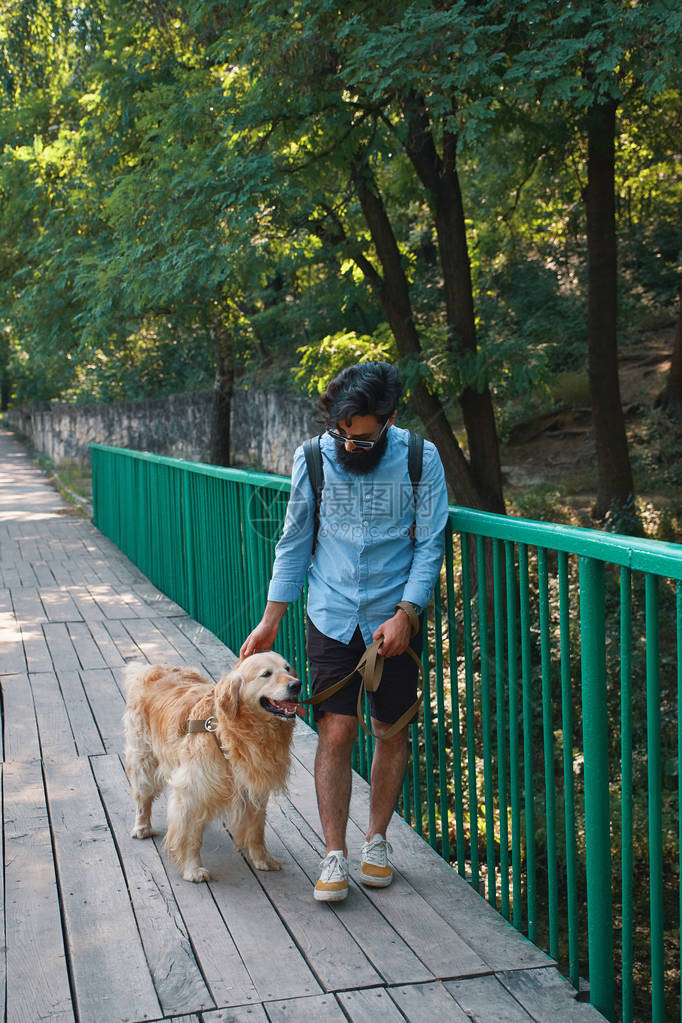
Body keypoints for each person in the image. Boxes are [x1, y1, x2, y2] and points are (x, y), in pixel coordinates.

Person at [240, 362, 449, 902]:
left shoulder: (422, 460)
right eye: (343, 434)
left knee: (390, 731)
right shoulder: (313, 458)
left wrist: (407, 610)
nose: (352, 445)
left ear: (390, 418)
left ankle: (376, 840)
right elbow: (293, 542)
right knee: (335, 730)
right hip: (330, 613)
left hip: (394, 621)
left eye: (364, 436)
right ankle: (333, 852)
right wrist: (271, 618)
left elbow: (429, 545)